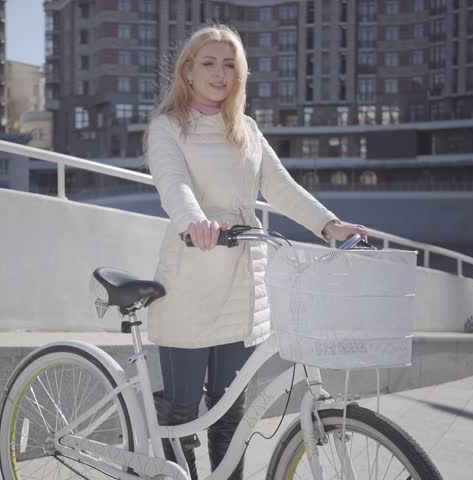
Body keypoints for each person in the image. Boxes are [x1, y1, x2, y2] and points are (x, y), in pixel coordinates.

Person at [144, 24, 367, 480]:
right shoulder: (166, 127)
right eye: (208, 62)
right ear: (187, 70)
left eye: (230, 64)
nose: (220, 73)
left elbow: (282, 188)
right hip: (192, 272)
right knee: (183, 409)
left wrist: (329, 224)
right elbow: (173, 183)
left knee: (232, 412)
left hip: (243, 284)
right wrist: (196, 222)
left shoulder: (245, 129)